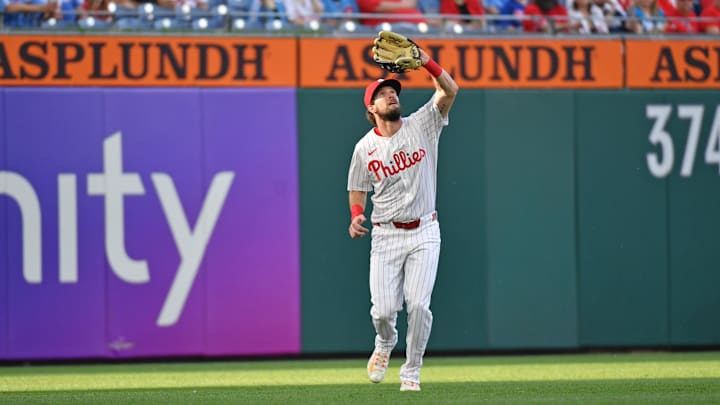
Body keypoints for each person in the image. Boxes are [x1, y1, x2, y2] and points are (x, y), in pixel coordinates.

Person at [346, 44, 459, 392]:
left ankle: (411, 371)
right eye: (382, 94)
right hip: (385, 235)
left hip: (425, 229)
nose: (391, 96)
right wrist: (355, 215)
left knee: (420, 305)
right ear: (372, 107)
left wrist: (426, 61)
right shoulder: (364, 147)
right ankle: (385, 342)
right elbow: (357, 186)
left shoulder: (423, 123)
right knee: (382, 312)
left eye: (393, 90)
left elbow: (450, 90)